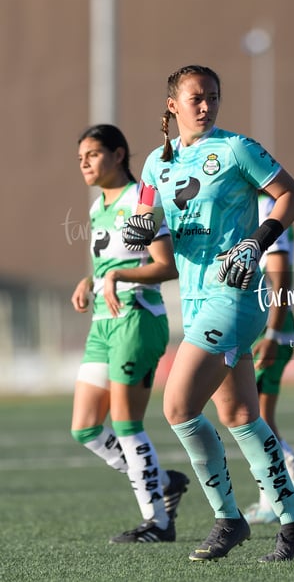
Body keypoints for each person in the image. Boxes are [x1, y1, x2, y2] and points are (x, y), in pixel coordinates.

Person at [122, 65, 294, 562]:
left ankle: (228, 518)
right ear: (173, 105)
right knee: (239, 415)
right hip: (192, 301)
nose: (206, 105)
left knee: (177, 406)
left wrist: (256, 243)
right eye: (196, 97)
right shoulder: (155, 164)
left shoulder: (236, 149)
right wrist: (138, 232)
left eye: (213, 96)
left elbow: (291, 195)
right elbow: (144, 218)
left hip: (235, 295)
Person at [71, 124, 189, 544]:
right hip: (102, 324)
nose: (84, 162)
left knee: (126, 424)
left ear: (118, 155)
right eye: (81, 157)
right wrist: (90, 280)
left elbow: (167, 266)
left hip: (136, 319)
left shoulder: (142, 202)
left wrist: (119, 275)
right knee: (85, 427)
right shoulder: (97, 208)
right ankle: (161, 479)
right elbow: (106, 264)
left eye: (93, 154)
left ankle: (158, 523)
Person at [244, 192, 294, 525]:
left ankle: (272, 497)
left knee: (251, 418)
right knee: (254, 416)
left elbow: (279, 274)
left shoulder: (266, 207)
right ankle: (293, 471)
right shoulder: (248, 205)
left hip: (268, 329)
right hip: (261, 327)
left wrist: (273, 334)